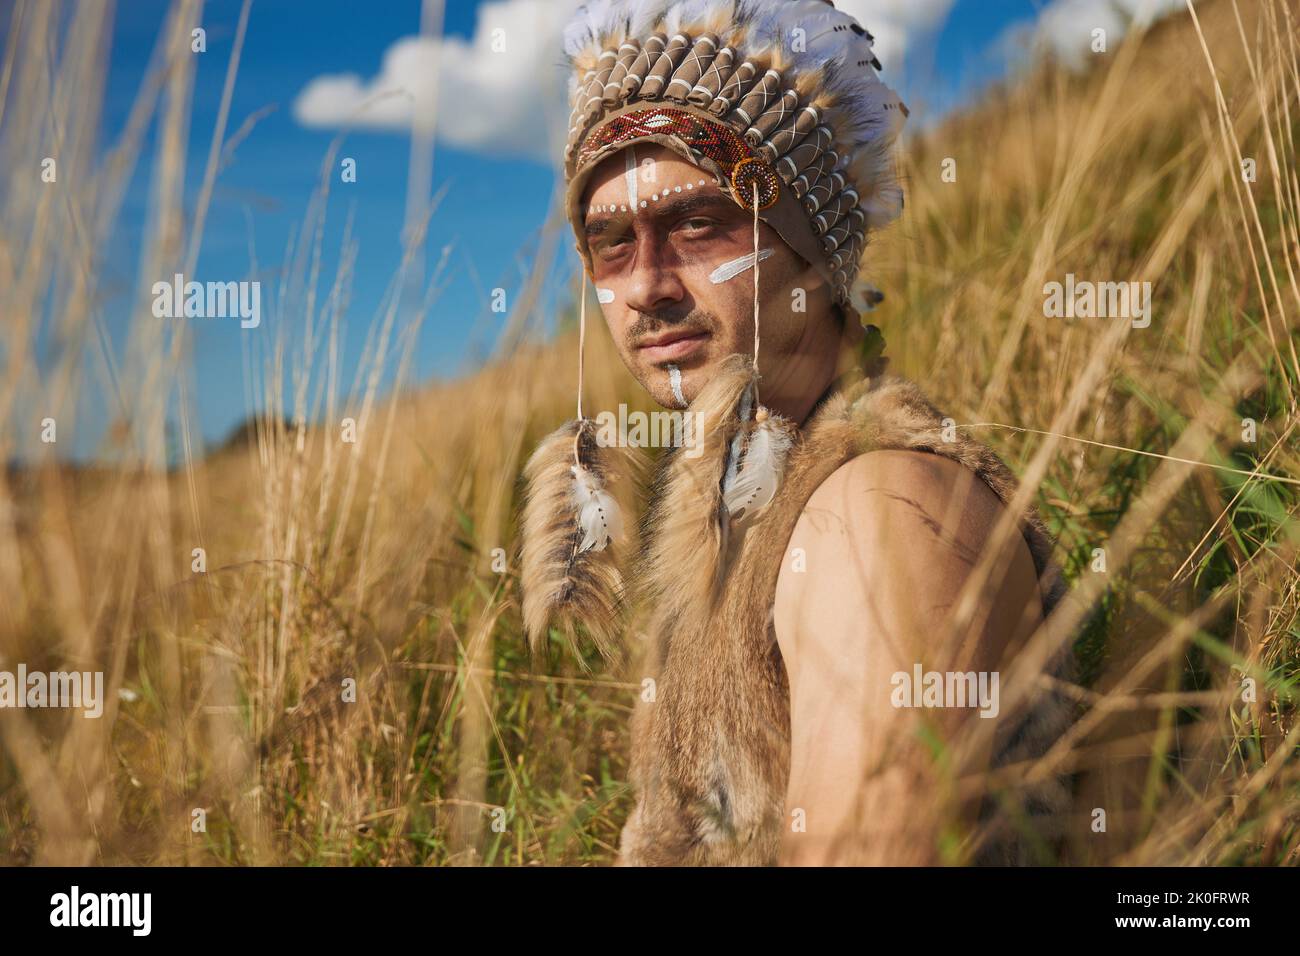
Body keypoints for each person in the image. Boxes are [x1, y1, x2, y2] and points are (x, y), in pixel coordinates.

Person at [520, 0, 1072, 865]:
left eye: (697, 224)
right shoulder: (740, 519)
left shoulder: (879, 517)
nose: (646, 288)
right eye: (612, 245)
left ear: (813, 247)